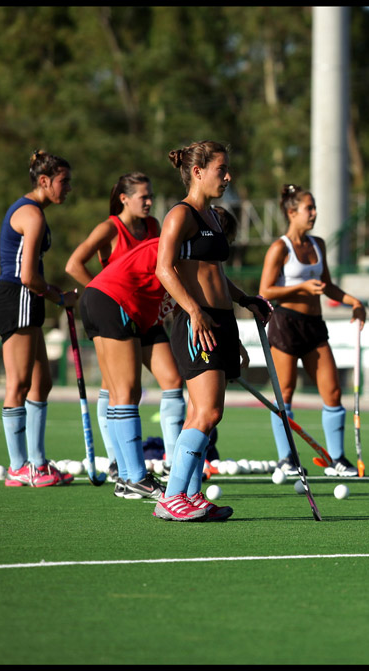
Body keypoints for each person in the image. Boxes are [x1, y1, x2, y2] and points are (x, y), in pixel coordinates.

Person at [154, 141, 272, 521]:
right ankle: (170, 499)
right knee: (208, 411)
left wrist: (245, 300)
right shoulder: (180, 215)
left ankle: (189, 494)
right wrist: (194, 312)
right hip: (196, 322)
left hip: (219, 321)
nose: (228, 176)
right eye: (221, 169)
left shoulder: (213, 218)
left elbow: (216, 274)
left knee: (201, 413)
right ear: (198, 172)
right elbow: (164, 269)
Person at [65, 172, 185, 496]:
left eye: (150, 195)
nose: (148, 201)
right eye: (142, 196)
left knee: (171, 380)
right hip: (116, 306)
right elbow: (74, 264)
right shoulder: (110, 228)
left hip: (143, 312)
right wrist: (101, 287)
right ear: (124, 198)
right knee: (121, 390)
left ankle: (174, 463)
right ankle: (124, 468)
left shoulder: (154, 227)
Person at [258, 184, 367, 477]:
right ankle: (287, 459)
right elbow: (265, 290)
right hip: (285, 324)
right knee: (285, 393)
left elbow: (327, 285)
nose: (314, 213)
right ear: (291, 212)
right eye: (309, 208)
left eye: (315, 207)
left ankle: (337, 459)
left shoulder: (318, 243)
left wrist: (353, 302)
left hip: (314, 326)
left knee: (332, 390)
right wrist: (301, 287)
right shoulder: (280, 247)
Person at [0, 150, 78, 488]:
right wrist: (59, 297)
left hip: (25, 299)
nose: (68, 188)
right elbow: (27, 276)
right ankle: (17, 467)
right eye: (63, 182)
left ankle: (38, 464)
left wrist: (51, 292)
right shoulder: (32, 215)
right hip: (17, 298)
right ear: (44, 181)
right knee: (20, 384)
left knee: (42, 384)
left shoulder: (33, 211)